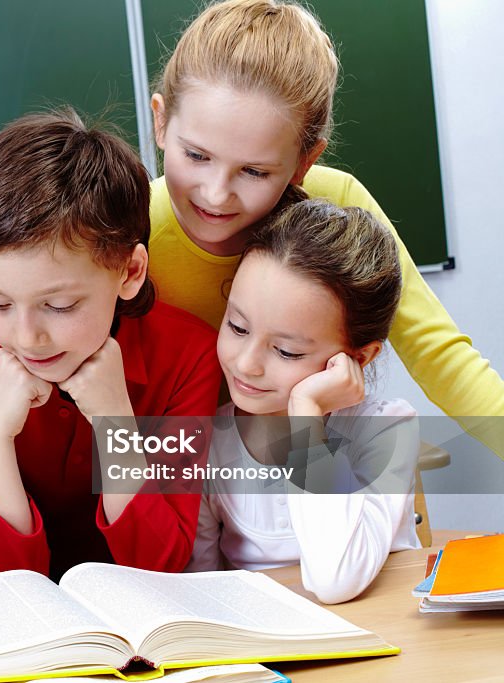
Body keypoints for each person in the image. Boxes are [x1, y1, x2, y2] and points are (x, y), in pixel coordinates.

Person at [147, 0, 504, 453]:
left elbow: (440, 356)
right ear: (160, 121)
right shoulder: (126, 226)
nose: (216, 194)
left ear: (304, 162)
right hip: (173, 477)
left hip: (301, 464)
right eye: (196, 156)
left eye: (254, 172)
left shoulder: (334, 203)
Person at [0, 109, 221, 581]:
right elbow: (1, 586)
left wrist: (115, 423)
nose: (26, 337)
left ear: (129, 272)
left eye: (60, 305)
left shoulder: (189, 355)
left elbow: (161, 564)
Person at [187, 198, 421, 604]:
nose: (246, 364)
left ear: (358, 358)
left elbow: (336, 580)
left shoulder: (386, 430)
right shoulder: (210, 440)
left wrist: (306, 417)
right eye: (237, 326)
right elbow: (200, 588)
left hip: (385, 645)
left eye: (287, 352)